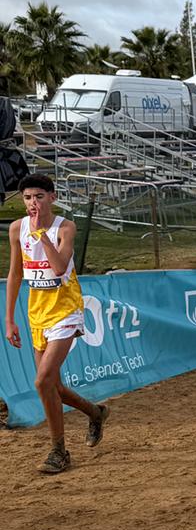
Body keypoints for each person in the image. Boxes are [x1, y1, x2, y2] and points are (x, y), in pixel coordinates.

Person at [5, 172, 108, 474]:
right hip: (37, 312)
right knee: (53, 386)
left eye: (39, 196)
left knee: (42, 381)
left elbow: (60, 266)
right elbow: (15, 273)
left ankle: (58, 452)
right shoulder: (16, 228)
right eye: (27, 198)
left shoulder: (65, 227)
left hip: (66, 309)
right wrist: (9, 319)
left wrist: (42, 235)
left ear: (52, 197)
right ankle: (95, 412)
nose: (33, 203)